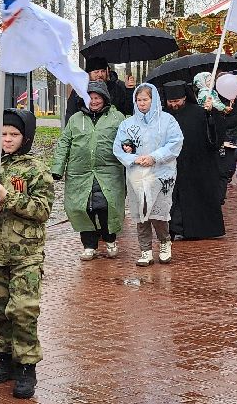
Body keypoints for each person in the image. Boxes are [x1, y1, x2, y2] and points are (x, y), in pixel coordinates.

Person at [0, 109, 53, 400]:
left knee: (23, 310)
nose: (8, 139)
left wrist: (8, 197)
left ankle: (26, 366)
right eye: (3, 134)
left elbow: (43, 210)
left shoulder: (35, 168)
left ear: (25, 137)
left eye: (14, 135)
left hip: (26, 253)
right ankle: (5, 357)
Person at [53, 81, 126, 259]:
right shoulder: (75, 119)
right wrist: (57, 167)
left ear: (104, 99)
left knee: (107, 207)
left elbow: (128, 139)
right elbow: (64, 143)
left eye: (97, 98)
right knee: (82, 208)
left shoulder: (117, 118)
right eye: (90, 98)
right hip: (79, 173)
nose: (93, 101)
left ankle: (110, 240)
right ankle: (89, 245)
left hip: (108, 172)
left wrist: (129, 153)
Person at [112, 83, 183, 266]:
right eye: (139, 100)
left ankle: (165, 242)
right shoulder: (127, 124)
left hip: (161, 174)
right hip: (136, 175)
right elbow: (119, 147)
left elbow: (175, 143)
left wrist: (155, 157)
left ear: (153, 100)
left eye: (145, 99)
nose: (142, 103)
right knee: (141, 213)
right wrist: (134, 158)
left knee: (158, 213)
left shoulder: (167, 121)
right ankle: (145, 250)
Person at [163, 81, 227, 240]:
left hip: (198, 164)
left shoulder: (199, 112)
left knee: (197, 198)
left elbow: (215, 137)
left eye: (177, 101)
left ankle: (200, 230)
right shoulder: (162, 115)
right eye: (170, 102)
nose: (174, 105)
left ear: (185, 98)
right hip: (172, 164)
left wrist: (211, 115)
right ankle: (174, 229)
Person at [64, 57, 134, 120]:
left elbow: (128, 111)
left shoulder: (116, 88)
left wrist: (129, 90)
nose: (100, 75)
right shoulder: (79, 91)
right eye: (96, 72)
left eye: (103, 71)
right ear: (89, 74)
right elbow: (70, 115)